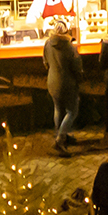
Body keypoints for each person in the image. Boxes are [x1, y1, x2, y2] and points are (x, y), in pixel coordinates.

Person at [43, 21, 81, 156]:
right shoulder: (70, 48)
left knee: (58, 109)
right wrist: (79, 80)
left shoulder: (47, 44)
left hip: (52, 82)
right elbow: (77, 68)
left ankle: (60, 135)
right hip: (68, 84)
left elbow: (45, 62)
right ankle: (60, 140)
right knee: (72, 111)